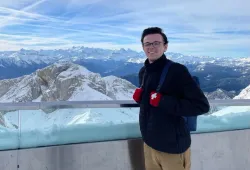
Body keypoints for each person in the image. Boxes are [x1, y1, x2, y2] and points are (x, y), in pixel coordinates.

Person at [133, 27, 210, 170]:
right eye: (147, 44)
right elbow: (152, 102)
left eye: (156, 43)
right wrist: (141, 99)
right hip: (149, 144)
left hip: (173, 148)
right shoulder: (144, 71)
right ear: (143, 47)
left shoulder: (177, 71)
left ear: (165, 46)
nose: (152, 47)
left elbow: (201, 105)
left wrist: (163, 101)